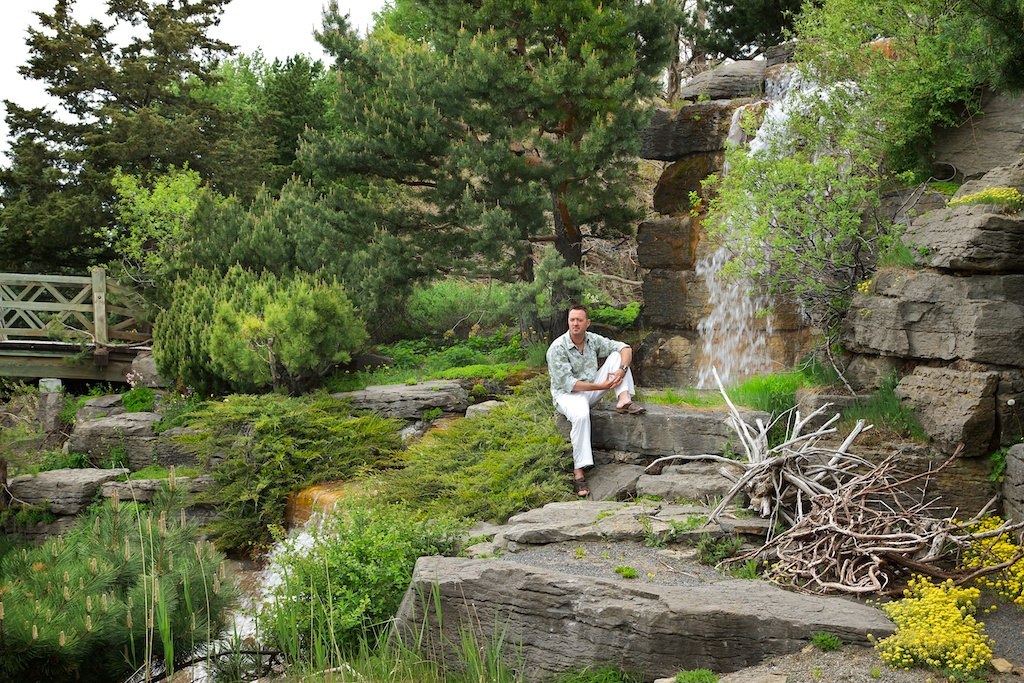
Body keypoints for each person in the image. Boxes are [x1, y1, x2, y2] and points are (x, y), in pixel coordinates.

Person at [546, 304, 645, 498]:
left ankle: (623, 400)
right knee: (582, 415)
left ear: (587, 323)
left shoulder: (592, 340)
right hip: (567, 396)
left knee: (617, 357)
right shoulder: (557, 348)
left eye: (579, 320)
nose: (575, 324)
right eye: (572, 320)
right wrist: (603, 387)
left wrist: (621, 370)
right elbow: (570, 384)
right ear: (568, 322)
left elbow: (624, 347)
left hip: (590, 389)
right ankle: (579, 473)